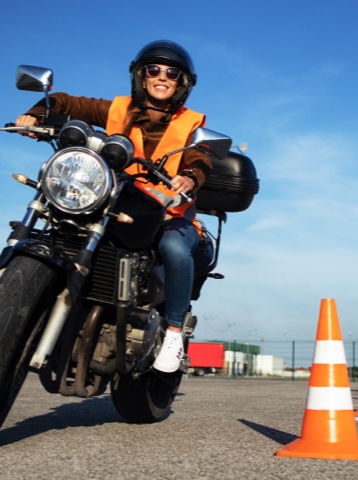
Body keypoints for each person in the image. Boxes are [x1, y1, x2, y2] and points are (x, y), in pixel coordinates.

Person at [16, 40, 212, 373]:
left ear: (182, 83)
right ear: (141, 75)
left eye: (171, 72)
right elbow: (66, 101)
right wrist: (36, 115)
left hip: (167, 215)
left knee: (175, 248)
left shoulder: (190, 123)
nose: (162, 77)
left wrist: (191, 176)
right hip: (114, 202)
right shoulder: (117, 109)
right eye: (154, 69)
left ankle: (174, 335)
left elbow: (199, 155)